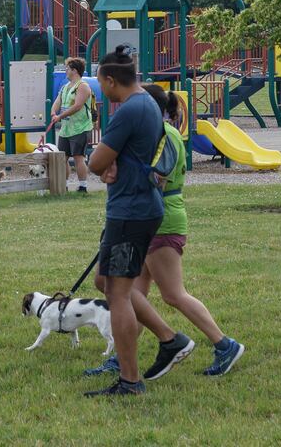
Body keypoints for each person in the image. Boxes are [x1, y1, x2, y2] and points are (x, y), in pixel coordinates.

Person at [86, 85, 244, 380]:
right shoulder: (161, 132)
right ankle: (124, 359)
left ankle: (224, 345)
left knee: (173, 294)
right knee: (133, 294)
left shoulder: (164, 134)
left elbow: (155, 178)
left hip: (160, 220)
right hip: (151, 218)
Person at [83, 46, 180, 398]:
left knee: (117, 293)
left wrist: (103, 161)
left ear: (111, 80)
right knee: (107, 281)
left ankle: (129, 380)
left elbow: (95, 163)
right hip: (139, 205)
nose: (101, 90)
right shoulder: (149, 105)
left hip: (130, 210)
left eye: (101, 83)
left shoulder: (128, 110)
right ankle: (170, 339)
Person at [48, 57, 95, 193]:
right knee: (63, 157)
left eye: (67, 68)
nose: (65, 71)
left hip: (80, 127)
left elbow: (78, 106)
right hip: (66, 129)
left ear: (74, 70)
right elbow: (58, 101)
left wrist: (60, 116)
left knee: (78, 157)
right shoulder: (65, 87)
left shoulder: (83, 86)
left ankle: (83, 186)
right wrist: (53, 113)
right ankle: (65, 185)